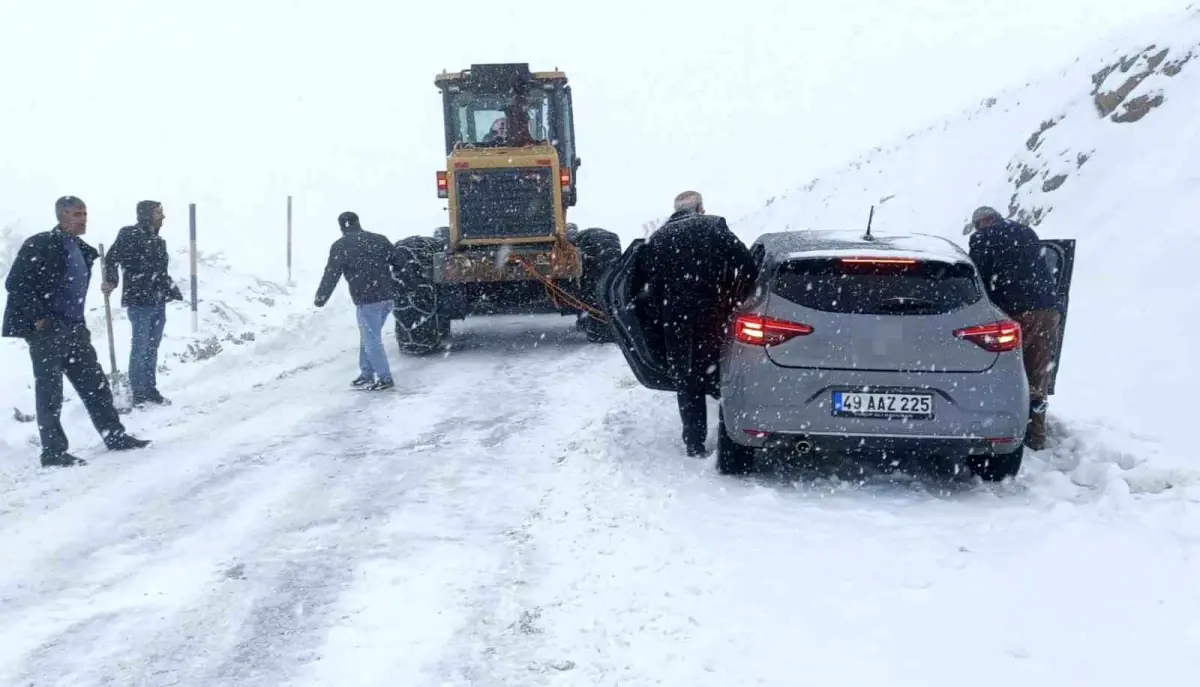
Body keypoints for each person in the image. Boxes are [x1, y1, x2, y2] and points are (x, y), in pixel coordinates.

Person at [2, 196, 151, 467]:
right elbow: (15, 283)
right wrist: (38, 318)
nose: (83, 219)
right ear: (62, 216)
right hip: (47, 333)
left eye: (85, 214)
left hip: (74, 330)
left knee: (95, 386)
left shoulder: (82, 249)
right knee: (50, 393)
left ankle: (114, 435)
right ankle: (53, 452)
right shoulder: (41, 243)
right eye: (76, 214)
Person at [641, 190, 758, 457]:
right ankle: (732, 435)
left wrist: (661, 319)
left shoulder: (658, 238)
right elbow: (747, 263)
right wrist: (739, 297)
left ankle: (693, 441)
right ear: (700, 208)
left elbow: (652, 289)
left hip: (677, 321)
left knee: (687, 380)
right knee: (724, 372)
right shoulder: (713, 226)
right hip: (715, 315)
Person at [967, 206, 1061, 450]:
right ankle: (1036, 434)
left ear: (980, 224)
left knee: (1009, 370)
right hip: (1048, 310)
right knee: (1038, 370)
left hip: (1014, 312)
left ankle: (1006, 428)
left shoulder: (982, 238)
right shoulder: (1026, 232)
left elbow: (979, 277)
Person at [102, 200, 184, 406]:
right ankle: (138, 392)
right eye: (158, 213)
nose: (163, 217)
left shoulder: (158, 241)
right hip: (139, 301)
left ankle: (150, 389)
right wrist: (111, 281)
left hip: (158, 301)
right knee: (140, 347)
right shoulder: (128, 234)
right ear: (146, 214)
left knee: (152, 347)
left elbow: (160, 272)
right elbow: (111, 259)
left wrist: (170, 290)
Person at [313, 211, 402, 391]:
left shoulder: (341, 246)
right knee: (369, 335)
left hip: (367, 299)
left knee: (371, 339)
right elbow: (398, 261)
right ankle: (367, 373)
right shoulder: (379, 239)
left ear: (341, 227)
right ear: (357, 222)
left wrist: (321, 297)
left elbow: (331, 274)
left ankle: (385, 378)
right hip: (387, 297)